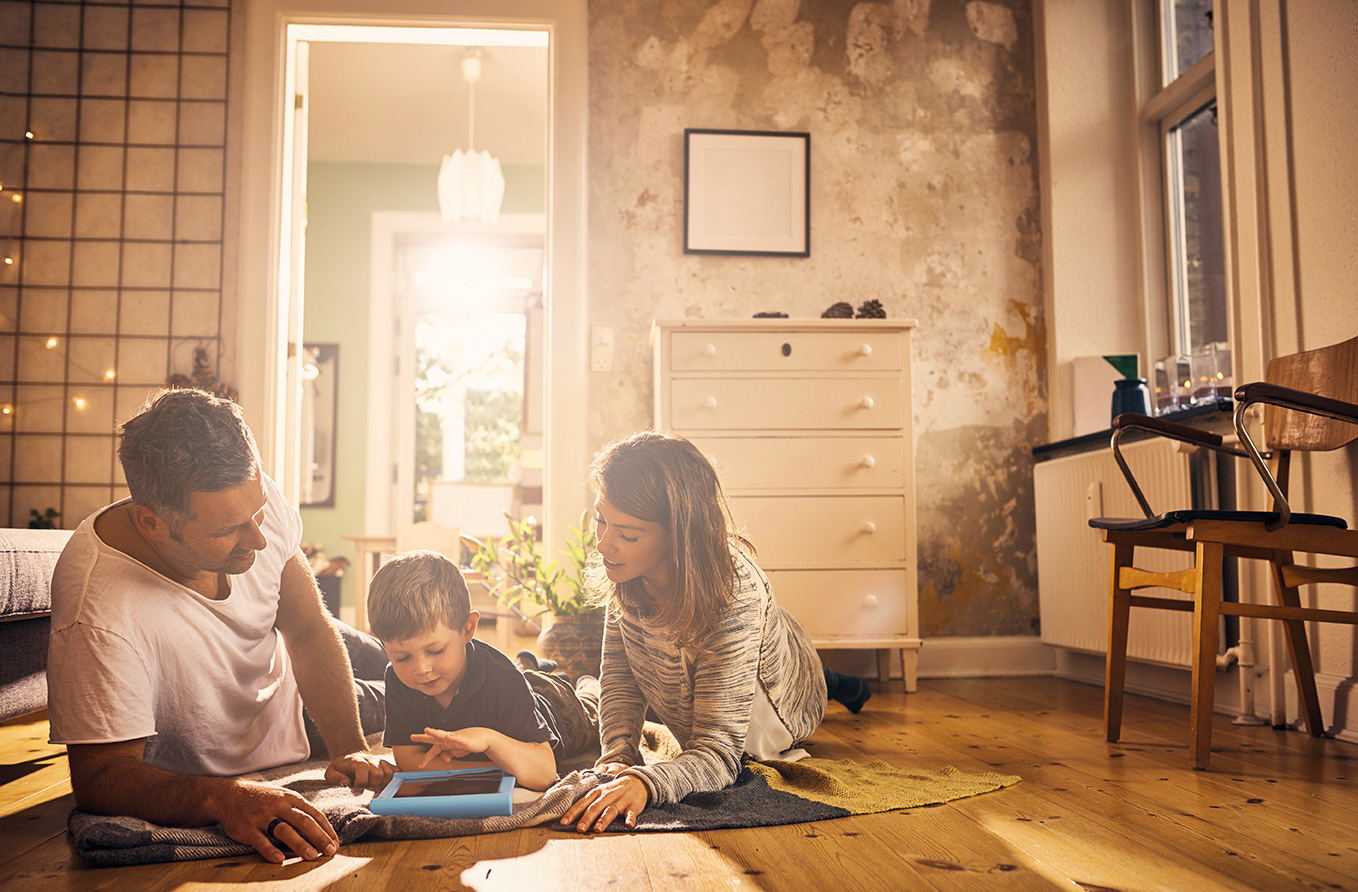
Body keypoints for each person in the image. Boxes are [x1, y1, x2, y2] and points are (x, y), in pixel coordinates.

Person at [46, 388, 393, 865]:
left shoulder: (240, 495)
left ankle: (528, 670)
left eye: (258, 512)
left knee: (436, 669)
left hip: (292, 668)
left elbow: (309, 627)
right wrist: (225, 798)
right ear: (151, 523)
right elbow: (100, 775)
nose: (258, 537)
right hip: (271, 713)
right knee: (421, 689)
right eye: (227, 530)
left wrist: (355, 749)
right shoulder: (99, 611)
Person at [560, 431, 871, 834]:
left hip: (786, 688)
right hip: (708, 665)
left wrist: (647, 783)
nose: (603, 544)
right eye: (602, 520)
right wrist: (618, 755)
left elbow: (720, 753)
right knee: (708, 671)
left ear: (679, 533)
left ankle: (835, 684)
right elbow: (621, 676)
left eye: (628, 535)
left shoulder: (733, 594)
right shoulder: (628, 569)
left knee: (790, 706)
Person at [367, 550, 600, 790]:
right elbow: (411, 763)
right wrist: (495, 769)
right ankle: (527, 662)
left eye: (435, 651)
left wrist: (489, 740)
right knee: (524, 676)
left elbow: (543, 773)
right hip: (517, 692)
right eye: (402, 657)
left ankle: (589, 685)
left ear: (468, 628)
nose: (421, 669)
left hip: (562, 710)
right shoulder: (398, 679)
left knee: (589, 705)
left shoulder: (503, 681)